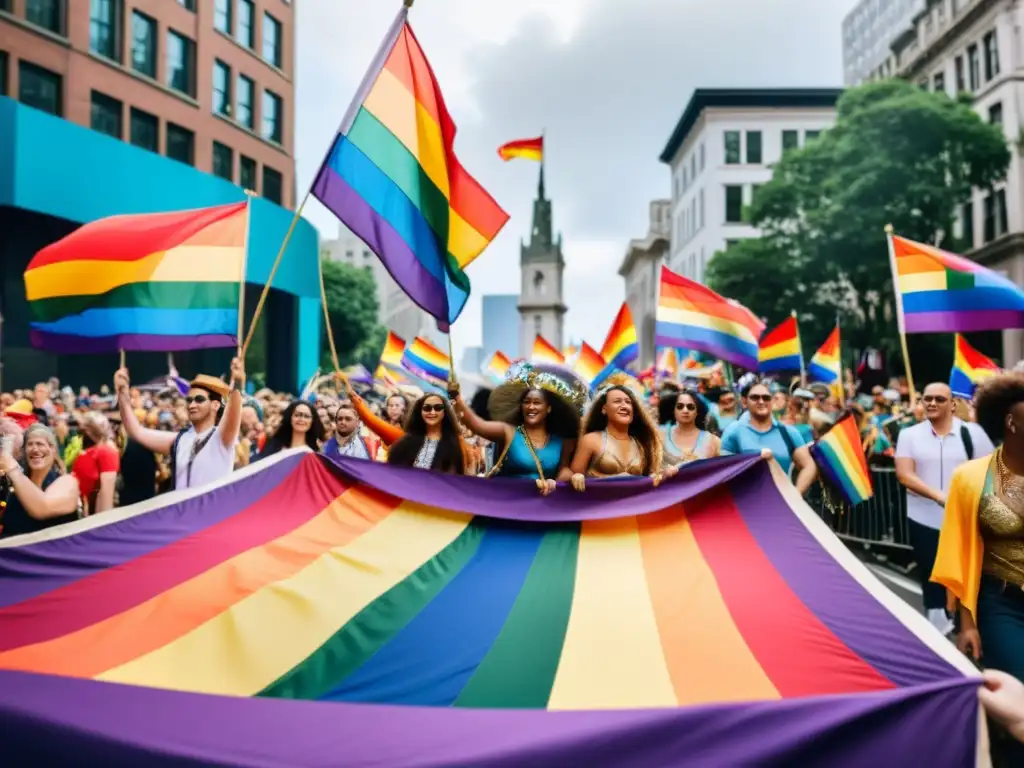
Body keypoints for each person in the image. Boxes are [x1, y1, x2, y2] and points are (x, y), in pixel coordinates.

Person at [896, 381, 994, 635]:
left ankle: (968, 624)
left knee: (966, 572)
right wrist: (939, 497)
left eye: (939, 399)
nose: (931, 403)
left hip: (965, 519)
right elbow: (905, 475)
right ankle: (937, 627)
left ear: (952, 404)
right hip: (924, 517)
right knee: (931, 572)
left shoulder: (973, 434)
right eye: (927, 399)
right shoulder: (909, 435)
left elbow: (990, 471)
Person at [453, 362, 585, 494]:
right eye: (526, 402)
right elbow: (477, 425)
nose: (531, 407)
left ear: (549, 408)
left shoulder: (561, 441)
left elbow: (563, 469)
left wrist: (572, 477)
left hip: (542, 506)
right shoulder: (508, 431)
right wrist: (458, 400)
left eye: (537, 403)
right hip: (507, 503)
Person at [115, 358, 245, 491]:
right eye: (189, 400)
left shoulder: (222, 437)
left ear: (215, 405)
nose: (192, 405)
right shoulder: (180, 440)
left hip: (216, 511)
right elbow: (136, 431)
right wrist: (122, 392)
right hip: (182, 511)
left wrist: (238, 381)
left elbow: (233, 409)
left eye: (199, 400)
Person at [569, 379, 674, 491]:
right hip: (601, 505)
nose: (624, 406)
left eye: (628, 402)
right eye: (617, 401)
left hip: (635, 506)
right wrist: (575, 476)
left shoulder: (641, 443)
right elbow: (571, 480)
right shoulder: (591, 440)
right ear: (604, 409)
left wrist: (665, 475)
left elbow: (651, 482)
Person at [720, 380, 818, 494]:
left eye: (766, 398)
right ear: (744, 402)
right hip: (747, 504)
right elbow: (723, 469)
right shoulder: (734, 430)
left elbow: (809, 466)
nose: (761, 401)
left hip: (781, 505)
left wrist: (796, 494)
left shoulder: (787, 432)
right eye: (755, 397)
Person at [0, 424, 81, 539]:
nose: (35, 449)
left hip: (46, 554)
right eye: (30, 444)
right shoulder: (17, 484)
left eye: (39, 444)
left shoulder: (67, 482)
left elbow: (42, 508)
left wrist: (12, 468)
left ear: (52, 449)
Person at [387, 394, 466, 474]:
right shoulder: (406, 441)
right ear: (420, 411)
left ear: (444, 412)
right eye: (426, 408)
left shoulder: (454, 444)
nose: (432, 412)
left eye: (438, 408)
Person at [72, 411, 119, 514]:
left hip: (94, 512)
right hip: (83, 508)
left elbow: (106, 492)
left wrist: (100, 523)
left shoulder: (106, 451)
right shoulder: (89, 450)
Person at [659, 389, 721, 466]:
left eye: (690, 407)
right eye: (680, 406)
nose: (685, 410)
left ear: (698, 411)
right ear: (673, 410)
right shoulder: (660, 436)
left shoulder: (713, 441)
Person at [257, 400, 323, 459]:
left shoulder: (316, 452)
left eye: (306, 416)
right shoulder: (274, 445)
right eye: (297, 415)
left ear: (312, 421)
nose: (301, 419)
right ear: (290, 418)